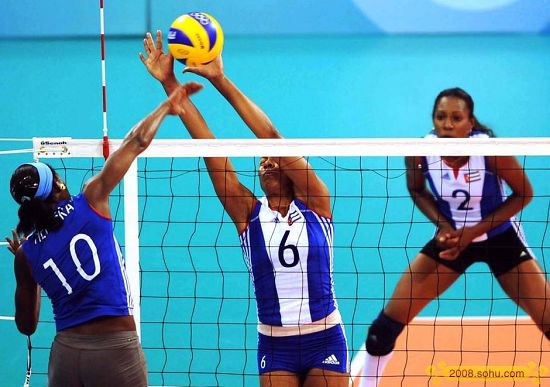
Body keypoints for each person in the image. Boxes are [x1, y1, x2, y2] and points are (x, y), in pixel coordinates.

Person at [140, 30, 350, 387]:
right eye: (262, 161)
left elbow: (270, 136)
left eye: (274, 159)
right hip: (275, 343)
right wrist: (170, 82)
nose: (266, 162)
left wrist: (220, 79)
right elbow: (208, 147)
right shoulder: (248, 215)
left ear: (290, 169)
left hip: (325, 337)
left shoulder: (317, 204)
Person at [6, 83, 202, 387]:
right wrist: (168, 104)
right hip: (115, 353)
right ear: (58, 184)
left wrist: (30, 266)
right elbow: (136, 142)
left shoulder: (26, 254)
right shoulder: (91, 199)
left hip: (66, 358)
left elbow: (27, 326)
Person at [358, 87, 550, 386]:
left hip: (501, 238)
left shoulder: (490, 153)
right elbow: (417, 189)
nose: (447, 124)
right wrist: (445, 226)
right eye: (441, 117)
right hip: (451, 243)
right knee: (380, 333)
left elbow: (524, 194)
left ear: (469, 123)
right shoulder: (420, 153)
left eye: (456, 118)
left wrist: (472, 232)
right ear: (433, 121)